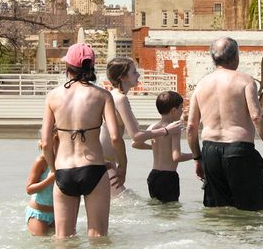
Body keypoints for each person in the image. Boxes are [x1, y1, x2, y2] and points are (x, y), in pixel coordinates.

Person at [42, 43, 127, 238]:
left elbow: (46, 142)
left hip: (64, 169)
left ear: (67, 67)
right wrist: (123, 165)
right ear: (92, 67)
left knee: (63, 239)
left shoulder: (53, 96)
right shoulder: (102, 95)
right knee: (98, 238)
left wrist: (54, 169)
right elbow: (115, 136)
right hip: (94, 169)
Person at [187, 36, 263, 211]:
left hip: (210, 151)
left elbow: (191, 126)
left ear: (213, 58)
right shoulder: (245, 80)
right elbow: (257, 116)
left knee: (218, 210)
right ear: (236, 56)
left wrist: (197, 158)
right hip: (239, 150)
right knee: (258, 210)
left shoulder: (201, 85)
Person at [101, 57, 184, 193]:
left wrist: (156, 148)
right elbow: (136, 136)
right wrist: (165, 130)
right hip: (105, 162)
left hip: (106, 162)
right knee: (125, 201)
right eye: (134, 72)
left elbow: (135, 141)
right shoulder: (120, 99)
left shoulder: (112, 95)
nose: (138, 75)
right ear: (123, 77)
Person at [141, 90, 193, 203]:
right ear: (174, 110)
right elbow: (176, 157)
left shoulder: (153, 127)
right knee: (171, 213)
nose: (182, 111)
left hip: (153, 176)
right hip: (168, 177)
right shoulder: (174, 128)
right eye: (181, 108)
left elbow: (135, 143)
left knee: (157, 211)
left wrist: (153, 147)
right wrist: (196, 155)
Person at [25, 133, 57, 235]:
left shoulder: (62, 160)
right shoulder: (41, 161)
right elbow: (29, 189)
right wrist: (49, 180)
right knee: (42, 243)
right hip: (38, 214)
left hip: (57, 214)